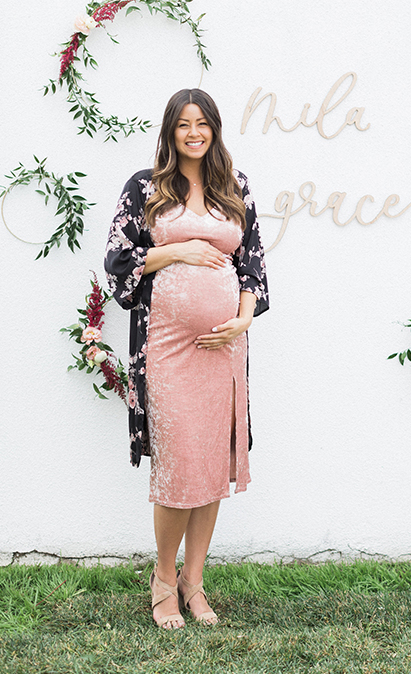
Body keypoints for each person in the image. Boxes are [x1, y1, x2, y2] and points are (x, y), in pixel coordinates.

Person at [105, 88, 269, 629]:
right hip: (167, 348)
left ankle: (194, 583)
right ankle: (162, 579)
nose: (193, 132)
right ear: (170, 131)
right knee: (178, 467)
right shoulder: (146, 187)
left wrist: (242, 319)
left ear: (214, 129)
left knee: (209, 467)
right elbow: (117, 259)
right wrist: (177, 250)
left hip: (224, 349)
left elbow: (253, 267)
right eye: (184, 124)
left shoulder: (234, 186)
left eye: (203, 123)